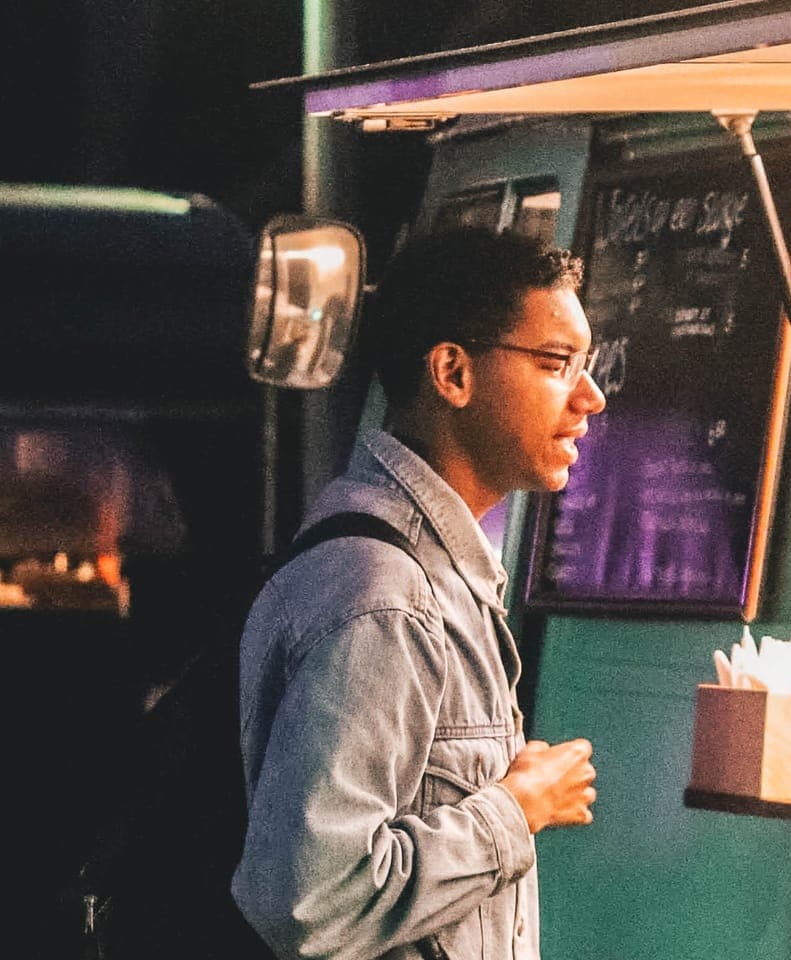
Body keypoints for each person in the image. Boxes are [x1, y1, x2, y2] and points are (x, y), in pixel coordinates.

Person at [233, 228, 607, 960]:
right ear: (452, 373)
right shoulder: (385, 600)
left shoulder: (425, 576)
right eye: (557, 363)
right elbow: (312, 900)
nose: (589, 397)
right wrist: (515, 811)